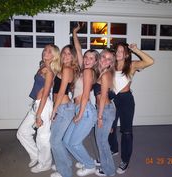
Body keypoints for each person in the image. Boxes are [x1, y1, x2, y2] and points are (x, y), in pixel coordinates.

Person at [108, 42, 154, 174]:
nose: (118, 53)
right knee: (110, 127)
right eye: (117, 50)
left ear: (127, 54)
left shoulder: (132, 65)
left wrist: (136, 50)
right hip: (112, 98)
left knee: (126, 131)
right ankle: (114, 148)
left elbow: (150, 61)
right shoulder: (111, 65)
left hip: (126, 100)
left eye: (121, 51)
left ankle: (125, 160)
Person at [16, 44, 61, 173]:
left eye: (49, 51)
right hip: (37, 104)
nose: (45, 52)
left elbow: (46, 94)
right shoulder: (43, 66)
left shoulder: (50, 72)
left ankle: (45, 163)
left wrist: (38, 115)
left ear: (54, 56)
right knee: (22, 132)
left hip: (44, 105)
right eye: (45, 50)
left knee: (42, 137)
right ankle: (36, 155)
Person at [63, 23, 100, 177]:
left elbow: (85, 95)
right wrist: (74, 32)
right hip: (80, 109)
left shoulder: (88, 72)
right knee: (66, 141)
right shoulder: (83, 69)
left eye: (91, 58)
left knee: (73, 142)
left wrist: (79, 114)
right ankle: (87, 159)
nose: (87, 59)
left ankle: (90, 165)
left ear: (95, 62)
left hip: (85, 112)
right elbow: (78, 49)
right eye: (86, 56)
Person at [50, 44, 79, 177]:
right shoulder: (64, 68)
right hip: (63, 107)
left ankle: (65, 173)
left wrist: (54, 110)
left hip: (63, 108)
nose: (66, 56)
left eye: (69, 54)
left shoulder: (67, 69)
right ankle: (66, 162)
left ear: (73, 56)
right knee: (57, 140)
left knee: (55, 141)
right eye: (64, 53)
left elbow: (61, 92)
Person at [93, 48, 116, 176]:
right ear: (100, 57)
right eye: (103, 57)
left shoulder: (106, 74)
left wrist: (100, 117)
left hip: (104, 111)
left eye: (109, 59)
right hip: (104, 110)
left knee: (102, 142)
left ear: (111, 63)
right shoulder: (101, 72)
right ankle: (106, 166)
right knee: (101, 141)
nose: (105, 60)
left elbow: (103, 97)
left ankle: (109, 171)